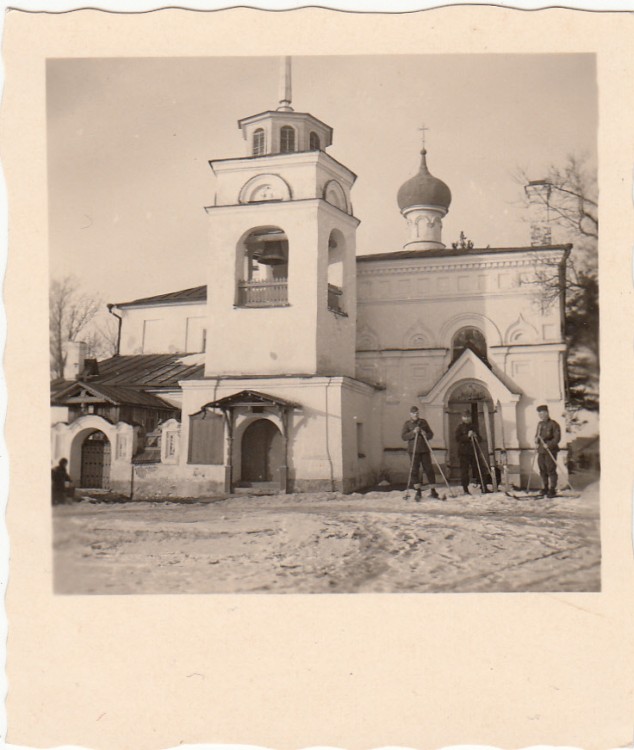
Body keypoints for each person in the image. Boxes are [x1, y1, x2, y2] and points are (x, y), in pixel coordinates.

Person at [401, 405, 439, 501]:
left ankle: (433, 490)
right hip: (413, 451)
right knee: (415, 471)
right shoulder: (407, 424)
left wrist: (425, 434)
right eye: (414, 413)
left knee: (429, 469)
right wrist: (413, 432)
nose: (416, 415)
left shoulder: (423, 422)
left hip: (424, 449)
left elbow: (431, 434)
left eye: (417, 413)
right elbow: (404, 437)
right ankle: (418, 491)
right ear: (410, 414)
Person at [454, 410, 488, 494]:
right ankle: (465, 489)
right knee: (464, 471)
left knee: (480, 468)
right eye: (465, 417)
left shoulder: (474, 427)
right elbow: (457, 438)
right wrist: (467, 436)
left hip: (474, 452)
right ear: (462, 418)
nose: (467, 418)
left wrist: (476, 436)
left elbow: (480, 439)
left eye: (468, 417)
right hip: (464, 453)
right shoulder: (459, 427)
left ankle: (483, 487)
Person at [535, 404, 561, 498]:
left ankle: (552, 489)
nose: (541, 416)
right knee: (542, 470)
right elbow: (537, 435)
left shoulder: (554, 424)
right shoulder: (540, 424)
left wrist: (549, 444)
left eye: (542, 413)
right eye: (539, 414)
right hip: (541, 450)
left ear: (547, 413)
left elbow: (557, 438)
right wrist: (536, 440)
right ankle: (545, 488)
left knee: (551, 469)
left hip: (551, 450)